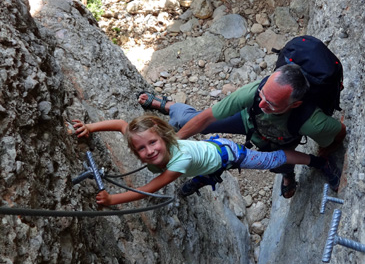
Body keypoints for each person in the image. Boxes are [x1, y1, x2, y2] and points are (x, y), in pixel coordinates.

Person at [138, 63, 346, 198]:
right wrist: (174, 143)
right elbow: (207, 116)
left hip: (281, 136)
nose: (263, 104)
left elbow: (339, 133)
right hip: (247, 121)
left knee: (279, 162)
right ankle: (169, 106)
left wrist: (325, 151)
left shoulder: (311, 122)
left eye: (272, 104)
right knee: (187, 120)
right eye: (262, 96)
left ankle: (288, 175)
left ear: (295, 104)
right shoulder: (253, 93)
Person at [72, 113, 340, 205]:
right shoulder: (146, 140)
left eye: (153, 143)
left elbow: (148, 190)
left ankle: (317, 162)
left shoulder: (178, 162)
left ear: (164, 138)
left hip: (229, 155)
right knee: (204, 172)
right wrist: (90, 128)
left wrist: (112, 200)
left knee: (273, 159)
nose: (150, 151)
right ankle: (204, 177)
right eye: (142, 148)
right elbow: (121, 124)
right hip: (209, 152)